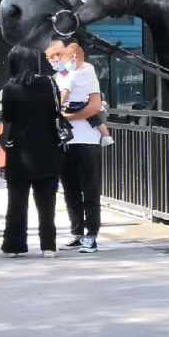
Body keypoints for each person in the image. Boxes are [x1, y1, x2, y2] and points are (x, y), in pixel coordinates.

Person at [0, 46, 64, 258]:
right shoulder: (48, 83)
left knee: (17, 200)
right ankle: (48, 246)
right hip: (47, 148)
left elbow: (8, 117)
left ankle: (13, 246)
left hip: (19, 151)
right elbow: (56, 110)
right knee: (47, 201)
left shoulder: (10, 88)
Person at [58, 43, 104, 253]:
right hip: (66, 141)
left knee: (90, 189)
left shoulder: (88, 72)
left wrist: (68, 115)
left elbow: (95, 107)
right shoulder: (59, 78)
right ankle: (76, 231)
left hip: (87, 139)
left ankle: (91, 234)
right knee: (70, 189)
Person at [62, 44, 113, 147]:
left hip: (72, 104)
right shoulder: (89, 70)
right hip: (84, 102)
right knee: (96, 119)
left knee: (62, 117)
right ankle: (106, 135)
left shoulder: (71, 76)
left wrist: (60, 104)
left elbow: (65, 93)